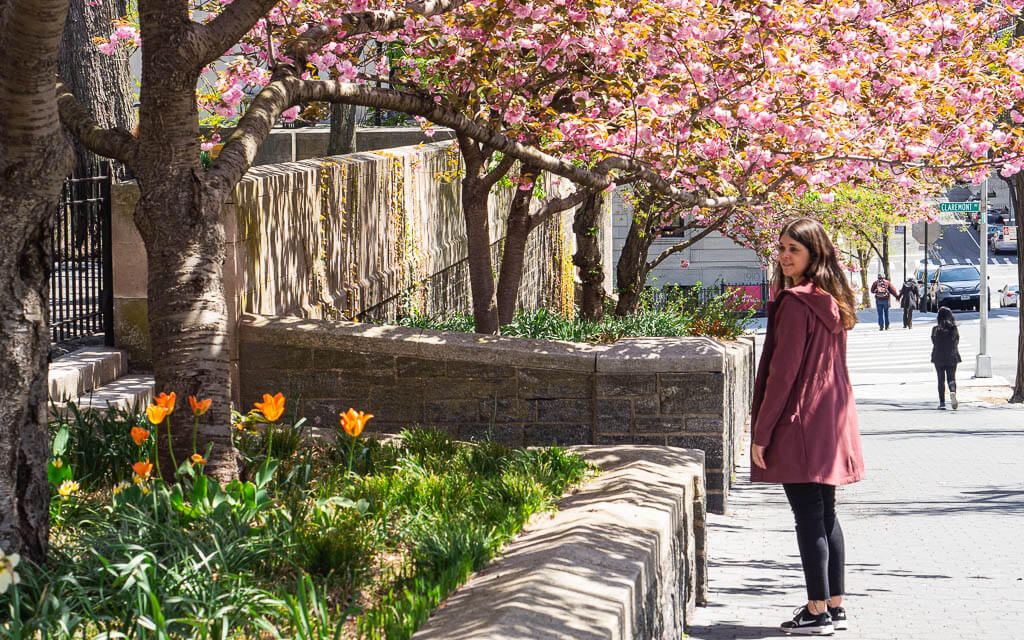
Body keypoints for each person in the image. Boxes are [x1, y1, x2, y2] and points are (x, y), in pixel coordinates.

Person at [751, 217, 865, 636]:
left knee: (809, 518)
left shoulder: (797, 304)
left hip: (798, 422)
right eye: (780, 248)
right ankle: (835, 606)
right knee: (826, 515)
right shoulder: (832, 301)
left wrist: (761, 433)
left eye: (792, 250)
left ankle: (817, 611)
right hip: (830, 422)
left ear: (814, 255)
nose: (783, 257)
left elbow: (783, 375)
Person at [931, 306, 961, 410]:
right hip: (952, 356)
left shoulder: (936, 329)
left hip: (938, 356)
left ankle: (942, 403)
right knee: (951, 378)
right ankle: (952, 392)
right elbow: (957, 341)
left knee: (940, 380)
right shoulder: (954, 329)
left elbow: (934, 342)